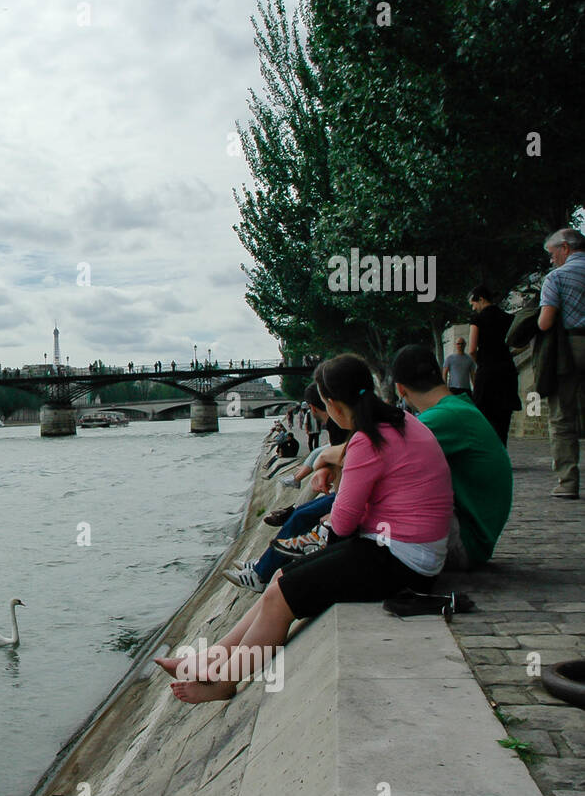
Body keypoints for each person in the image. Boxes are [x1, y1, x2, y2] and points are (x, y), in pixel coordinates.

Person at [157, 354, 452, 703]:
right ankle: (212, 657)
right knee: (282, 578)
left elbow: (342, 522)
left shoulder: (367, 440)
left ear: (332, 403)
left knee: (282, 596)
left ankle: (226, 679)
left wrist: (334, 480)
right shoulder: (397, 422)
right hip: (410, 550)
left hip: (402, 561)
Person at [391, 345, 513, 568]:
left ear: (400, 389)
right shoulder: (458, 408)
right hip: (472, 536)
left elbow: (372, 455)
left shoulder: (445, 417)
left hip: (466, 542)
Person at [538, 228, 585, 498]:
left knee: (562, 417)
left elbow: (545, 322)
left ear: (565, 248)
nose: (552, 259)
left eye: (552, 253)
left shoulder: (557, 277)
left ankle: (568, 482)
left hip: (571, 348)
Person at [467, 285, 520, 445]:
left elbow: (471, 349)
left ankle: (489, 456)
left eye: (473, 304)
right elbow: (521, 344)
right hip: (506, 371)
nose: (473, 308)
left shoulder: (477, 319)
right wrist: (506, 355)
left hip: (487, 372)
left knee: (484, 416)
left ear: (481, 299)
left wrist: (481, 362)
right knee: (503, 418)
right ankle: (502, 451)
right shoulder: (508, 318)